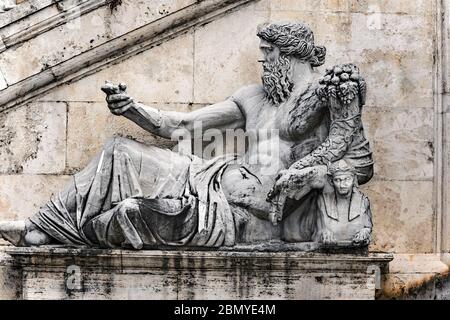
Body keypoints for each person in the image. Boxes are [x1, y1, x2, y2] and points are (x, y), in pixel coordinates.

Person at [0, 22, 362, 249]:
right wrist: (131, 108)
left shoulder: (325, 97)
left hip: (248, 210)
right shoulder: (253, 97)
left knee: (134, 212)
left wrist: (310, 175)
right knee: (119, 150)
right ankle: (41, 226)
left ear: (289, 55)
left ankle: (56, 231)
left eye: (268, 53)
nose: (262, 61)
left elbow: (359, 163)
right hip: (213, 176)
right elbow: (183, 126)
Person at [316, 159, 372, 246]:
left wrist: (365, 231)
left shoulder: (363, 201)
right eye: (337, 180)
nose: (342, 185)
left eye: (347, 179)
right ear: (331, 181)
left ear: (354, 180)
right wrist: (323, 232)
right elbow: (317, 229)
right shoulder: (322, 200)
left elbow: (368, 227)